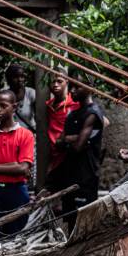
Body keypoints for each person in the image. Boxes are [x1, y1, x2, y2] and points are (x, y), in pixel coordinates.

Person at [0, 89, 35, 241]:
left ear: (14, 107)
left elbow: (23, 168)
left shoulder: (25, 135)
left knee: (16, 236)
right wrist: (12, 166)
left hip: (16, 191)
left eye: (3, 105)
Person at [49, 74, 104, 231]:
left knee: (85, 220)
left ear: (90, 87)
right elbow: (58, 143)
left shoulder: (93, 113)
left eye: (77, 86)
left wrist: (69, 140)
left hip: (86, 175)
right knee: (71, 220)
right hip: (70, 174)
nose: (72, 90)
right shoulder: (72, 114)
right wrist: (70, 138)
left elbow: (78, 146)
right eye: (71, 85)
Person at [45, 69, 79, 176]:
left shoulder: (74, 104)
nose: (55, 84)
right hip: (53, 155)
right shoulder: (48, 105)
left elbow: (103, 122)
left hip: (68, 155)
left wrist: (71, 139)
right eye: (53, 81)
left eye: (59, 81)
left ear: (67, 82)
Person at [5, 63, 36, 131]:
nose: (20, 80)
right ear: (9, 79)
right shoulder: (4, 96)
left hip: (29, 135)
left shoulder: (31, 93)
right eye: (15, 77)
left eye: (22, 76)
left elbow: (40, 117)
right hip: (11, 136)